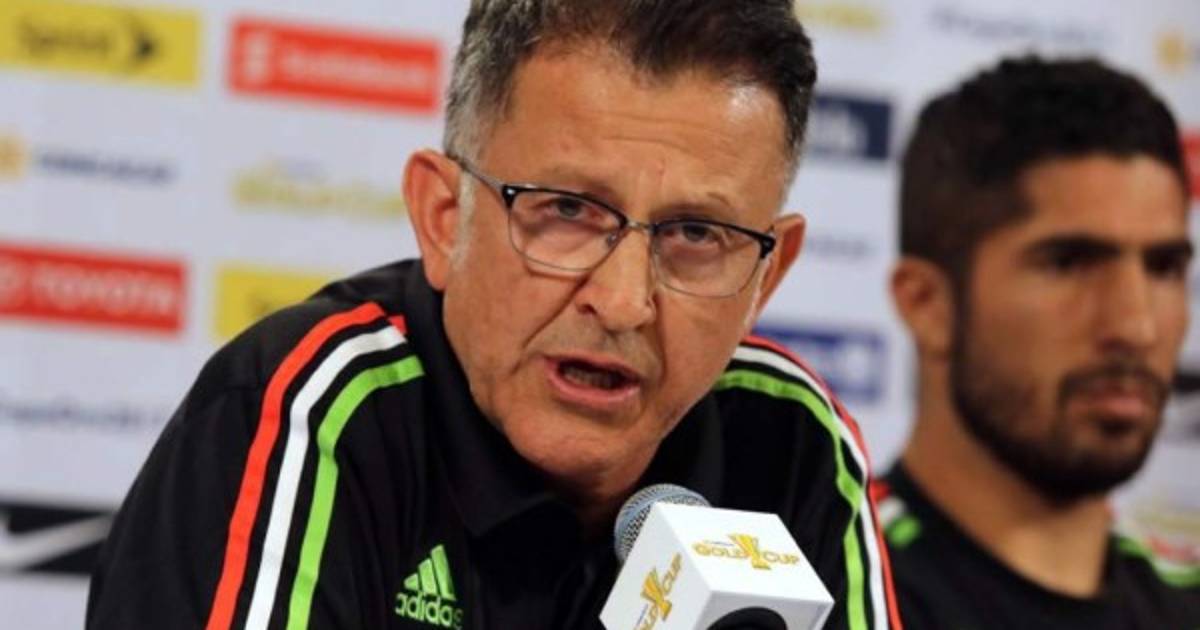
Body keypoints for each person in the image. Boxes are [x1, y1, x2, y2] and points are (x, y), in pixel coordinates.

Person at [87, 2, 900, 628]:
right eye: (567, 211)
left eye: (696, 234)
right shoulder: (320, 408)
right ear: (444, 219)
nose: (623, 301)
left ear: (765, 276)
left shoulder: (791, 439)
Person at [877, 55, 1200, 629]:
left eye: (1163, 268)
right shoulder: (828, 597)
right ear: (927, 304)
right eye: (1069, 263)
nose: (1136, 326)